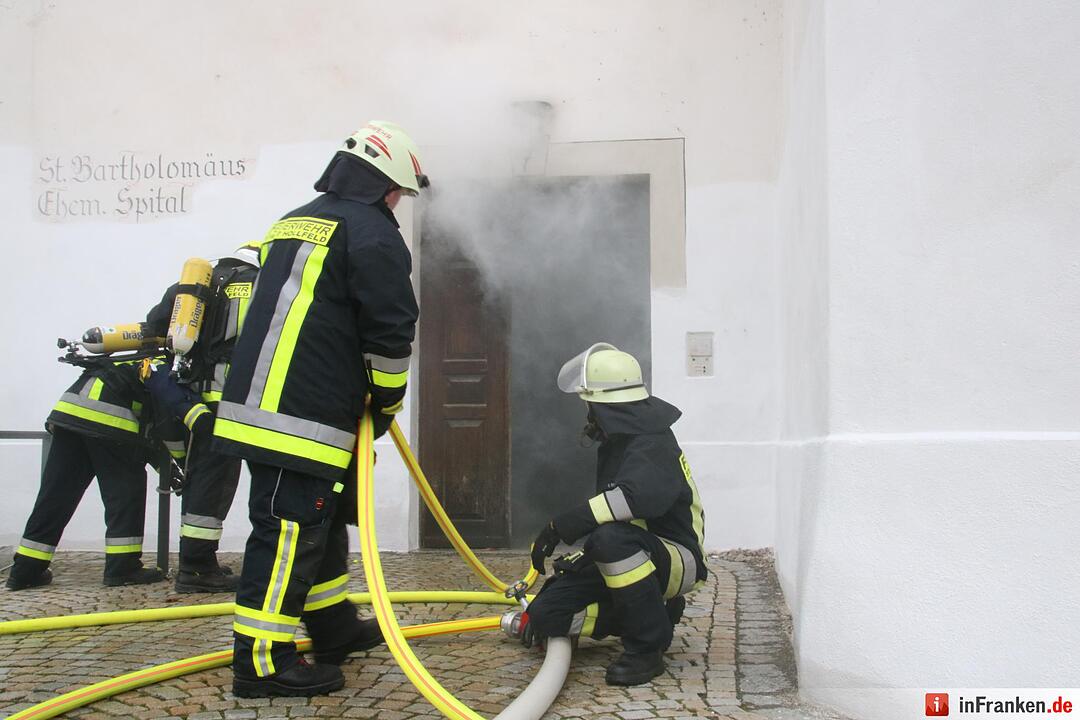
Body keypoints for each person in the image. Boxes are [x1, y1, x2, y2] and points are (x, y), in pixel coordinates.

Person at [211, 120, 429, 697]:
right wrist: (386, 402)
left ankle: (332, 628)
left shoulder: (294, 220)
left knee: (321, 525)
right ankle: (260, 663)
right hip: (302, 417)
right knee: (287, 536)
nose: (398, 205)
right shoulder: (373, 234)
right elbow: (389, 330)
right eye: (399, 194)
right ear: (384, 186)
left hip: (266, 404)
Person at [523, 343, 707, 686]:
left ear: (604, 406)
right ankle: (652, 614)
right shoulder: (620, 441)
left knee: (609, 540)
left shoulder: (653, 442)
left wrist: (561, 526)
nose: (588, 415)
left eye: (590, 407)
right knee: (546, 615)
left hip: (676, 558)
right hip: (632, 552)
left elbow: (636, 500)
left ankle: (646, 648)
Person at [142, 242, 261, 593]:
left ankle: (199, 562)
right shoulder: (262, 282)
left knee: (204, 480)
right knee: (221, 483)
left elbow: (154, 329)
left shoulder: (195, 286)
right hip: (240, 398)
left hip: (198, 400)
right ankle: (195, 568)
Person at [7, 357, 177, 590]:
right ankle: (123, 567)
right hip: (111, 422)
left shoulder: (128, 355)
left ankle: (25, 570)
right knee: (125, 492)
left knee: (55, 497)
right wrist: (177, 467)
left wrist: (165, 468)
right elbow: (161, 428)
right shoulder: (165, 368)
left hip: (69, 415)